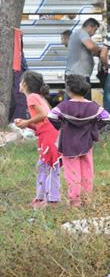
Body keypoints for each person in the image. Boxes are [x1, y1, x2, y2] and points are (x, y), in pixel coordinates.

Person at [48, 74, 110, 207]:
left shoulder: (64, 106)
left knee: (72, 174)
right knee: (87, 172)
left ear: (69, 90)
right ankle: (87, 200)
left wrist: (62, 126)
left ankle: (75, 201)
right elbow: (107, 118)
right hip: (86, 144)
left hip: (69, 145)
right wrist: (93, 128)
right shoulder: (93, 107)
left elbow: (51, 115)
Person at [14, 71, 61, 208]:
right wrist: (27, 123)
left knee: (50, 166)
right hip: (47, 134)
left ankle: (52, 200)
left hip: (49, 136)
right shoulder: (38, 97)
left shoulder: (32, 97)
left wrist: (28, 120)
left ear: (25, 84)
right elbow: (43, 120)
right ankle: (40, 198)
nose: (19, 83)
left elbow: (45, 114)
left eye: (21, 81)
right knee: (43, 166)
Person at [65, 18, 101, 100]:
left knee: (74, 105)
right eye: (95, 30)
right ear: (89, 27)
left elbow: (91, 50)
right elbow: (91, 46)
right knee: (84, 105)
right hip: (78, 77)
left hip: (77, 75)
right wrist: (101, 49)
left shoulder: (78, 35)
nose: (94, 33)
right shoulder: (82, 32)